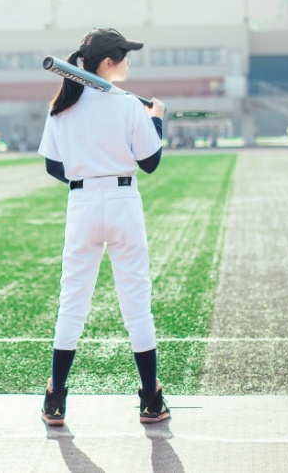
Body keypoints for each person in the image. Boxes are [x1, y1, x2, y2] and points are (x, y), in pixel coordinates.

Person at [37, 27, 170, 426]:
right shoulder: (129, 105)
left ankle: (55, 400)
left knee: (72, 302)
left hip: (82, 204)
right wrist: (158, 120)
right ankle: (151, 399)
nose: (129, 62)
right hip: (123, 200)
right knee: (136, 302)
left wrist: (86, 176)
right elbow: (150, 162)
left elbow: (52, 166)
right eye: (125, 56)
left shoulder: (61, 105)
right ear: (108, 63)